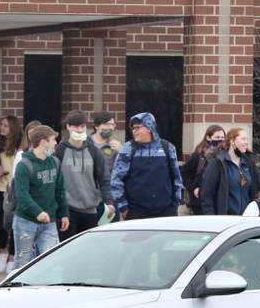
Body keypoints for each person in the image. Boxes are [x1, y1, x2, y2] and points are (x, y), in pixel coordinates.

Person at [13, 125, 70, 268]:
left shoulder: (55, 162)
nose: (56, 143)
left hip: (49, 221)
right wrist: (37, 212)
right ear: (43, 142)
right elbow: (22, 195)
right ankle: (17, 289)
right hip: (25, 221)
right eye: (53, 140)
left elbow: (60, 190)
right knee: (22, 263)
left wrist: (64, 213)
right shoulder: (24, 165)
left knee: (51, 261)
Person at [110, 112, 183, 220]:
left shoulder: (167, 147)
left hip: (166, 210)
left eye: (138, 128)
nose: (134, 131)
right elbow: (116, 180)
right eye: (133, 129)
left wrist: (175, 203)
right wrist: (123, 207)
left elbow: (177, 178)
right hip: (136, 211)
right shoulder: (128, 149)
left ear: (149, 127)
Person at [55, 110, 114, 239]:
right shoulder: (60, 150)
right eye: (76, 126)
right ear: (68, 127)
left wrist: (109, 202)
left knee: (89, 251)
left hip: (91, 208)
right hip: (68, 209)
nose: (80, 130)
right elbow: (55, 181)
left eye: (82, 126)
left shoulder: (94, 151)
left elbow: (104, 178)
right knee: (67, 249)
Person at [201, 127, 260, 215]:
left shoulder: (249, 163)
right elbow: (207, 194)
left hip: (248, 217)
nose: (246, 142)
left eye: (247, 139)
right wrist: (212, 218)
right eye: (243, 139)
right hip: (225, 218)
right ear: (232, 141)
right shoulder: (218, 163)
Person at [0, 115, 21, 274]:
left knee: (17, 223)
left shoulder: (20, 146)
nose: (2, 128)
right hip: (3, 188)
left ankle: (12, 256)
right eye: (1, 125)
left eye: (5, 126)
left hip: (17, 189)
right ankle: (2, 251)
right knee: (3, 224)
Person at [182, 125, 225, 215]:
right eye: (217, 137)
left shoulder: (226, 155)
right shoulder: (198, 155)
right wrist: (194, 188)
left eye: (222, 137)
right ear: (208, 138)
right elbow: (185, 173)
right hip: (200, 202)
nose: (220, 140)